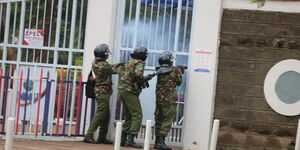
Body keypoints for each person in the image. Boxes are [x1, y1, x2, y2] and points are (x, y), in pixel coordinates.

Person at [83, 44, 122, 144]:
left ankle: (102, 137)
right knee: (100, 115)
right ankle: (89, 135)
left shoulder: (95, 62)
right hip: (103, 92)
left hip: (101, 91)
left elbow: (109, 67)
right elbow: (115, 71)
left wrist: (117, 64)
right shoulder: (103, 65)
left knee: (106, 116)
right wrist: (125, 66)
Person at [118, 46, 149, 148]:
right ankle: (130, 140)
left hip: (122, 90)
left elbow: (123, 74)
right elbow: (138, 74)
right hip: (129, 91)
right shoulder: (139, 62)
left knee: (129, 115)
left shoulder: (128, 62)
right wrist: (144, 79)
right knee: (137, 115)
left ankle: (122, 139)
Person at [154, 51, 183, 150]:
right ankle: (161, 142)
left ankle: (157, 142)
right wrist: (179, 71)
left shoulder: (159, 70)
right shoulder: (174, 70)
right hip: (169, 99)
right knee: (167, 120)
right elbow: (179, 82)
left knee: (159, 119)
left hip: (159, 99)